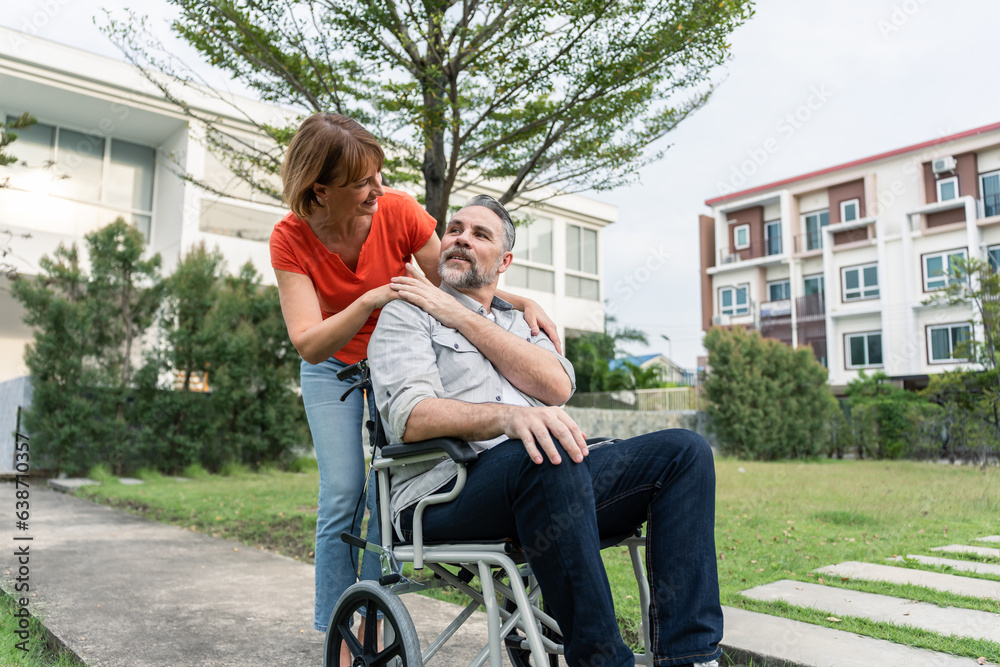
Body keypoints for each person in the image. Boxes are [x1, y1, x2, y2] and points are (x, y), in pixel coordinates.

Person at [368, 195, 723, 667]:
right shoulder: (406, 313)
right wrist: (507, 418)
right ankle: (601, 662)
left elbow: (555, 385)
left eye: (480, 234)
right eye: (454, 229)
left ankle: (692, 658)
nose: (460, 239)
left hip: (549, 482)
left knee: (685, 452)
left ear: (505, 261)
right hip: (446, 492)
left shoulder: (524, 323)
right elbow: (410, 416)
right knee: (544, 448)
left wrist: (462, 316)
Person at [268, 114, 560, 644]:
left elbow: (455, 283)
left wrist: (521, 300)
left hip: (398, 358)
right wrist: (370, 298)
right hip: (330, 365)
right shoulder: (289, 238)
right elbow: (309, 341)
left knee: (389, 486)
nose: (378, 189)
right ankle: (337, 623)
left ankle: (377, 615)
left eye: (378, 175)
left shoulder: (398, 210)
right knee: (342, 492)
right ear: (321, 190)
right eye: (362, 183)